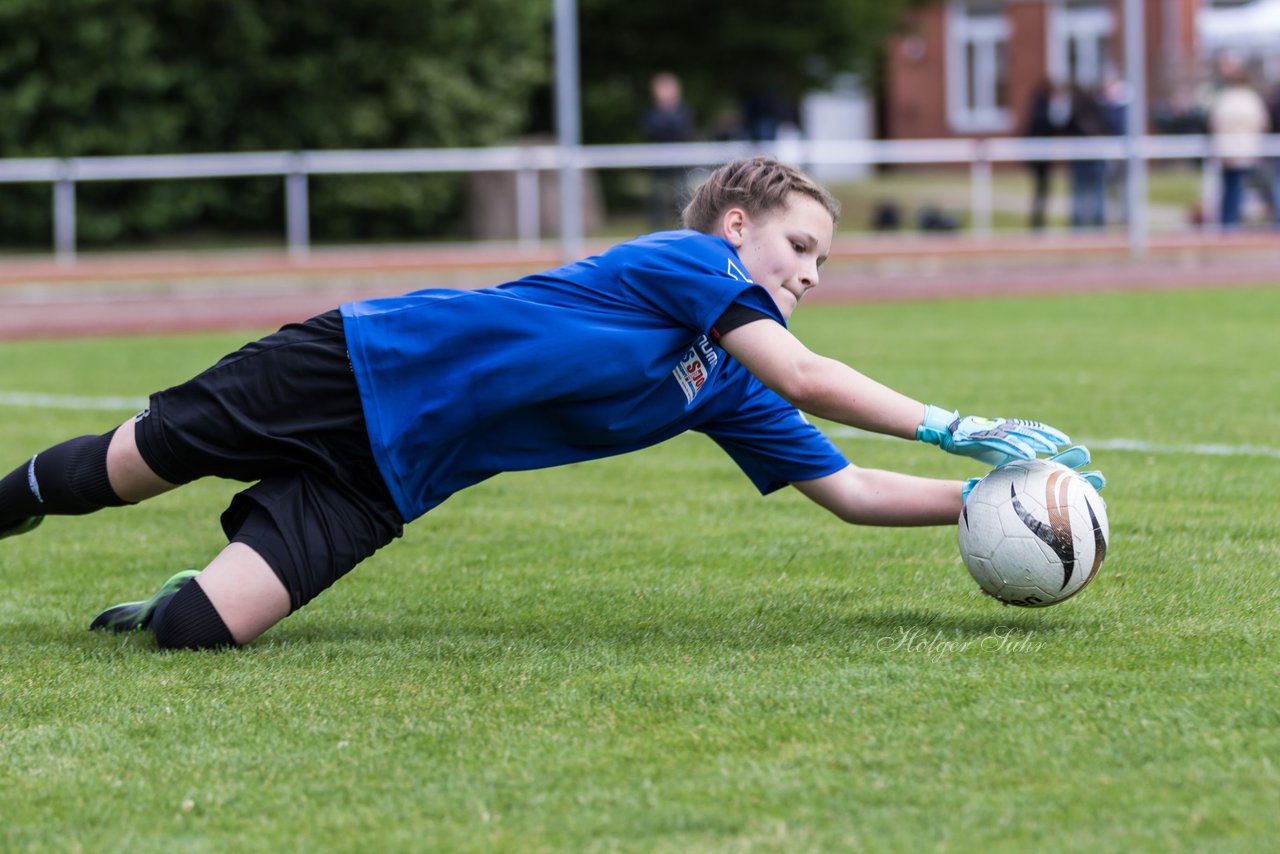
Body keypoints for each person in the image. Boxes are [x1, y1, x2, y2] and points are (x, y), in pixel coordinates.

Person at [0, 157, 1103, 651]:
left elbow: (850, 489)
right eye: (799, 246)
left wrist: (996, 492)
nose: (811, 272)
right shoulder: (679, 261)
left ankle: (172, 594)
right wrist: (953, 418)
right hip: (354, 368)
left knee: (197, 632)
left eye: (822, 260)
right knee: (112, 471)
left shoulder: (721, 382)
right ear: (734, 228)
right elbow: (812, 377)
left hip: (397, 474)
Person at [1208, 56, 1270, 228]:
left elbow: (1215, 122)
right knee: (1243, 185)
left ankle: (1229, 221)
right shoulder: (1251, 98)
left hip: (1227, 149)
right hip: (1247, 149)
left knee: (1230, 186)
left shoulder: (1224, 98)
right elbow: (1261, 121)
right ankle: (1234, 220)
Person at [642, 72, 695, 229]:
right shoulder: (651, 113)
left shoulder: (684, 111)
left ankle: (685, 229)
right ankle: (656, 232)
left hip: (679, 165)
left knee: (683, 199)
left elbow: (683, 131)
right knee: (657, 201)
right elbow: (652, 131)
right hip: (659, 166)